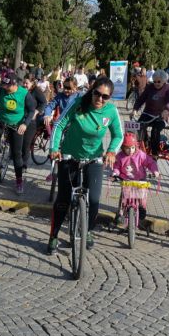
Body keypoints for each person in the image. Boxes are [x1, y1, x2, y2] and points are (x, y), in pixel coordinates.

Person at [46, 77, 123, 255]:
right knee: (63, 199)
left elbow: (118, 134)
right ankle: (54, 236)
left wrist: (111, 151)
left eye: (105, 97)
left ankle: (87, 231)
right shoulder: (79, 103)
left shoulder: (111, 111)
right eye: (97, 94)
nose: (100, 99)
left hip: (94, 158)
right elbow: (59, 124)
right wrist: (54, 148)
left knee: (95, 201)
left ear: (110, 98)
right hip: (69, 155)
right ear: (92, 90)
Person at [0, 76, 35, 194]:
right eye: (3, 85)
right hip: (0, 121)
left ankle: (19, 181)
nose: (4, 88)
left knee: (17, 154)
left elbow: (32, 110)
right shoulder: (1, 90)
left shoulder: (24, 93)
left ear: (14, 84)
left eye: (7, 86)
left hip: (16, 125)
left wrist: (25, 124)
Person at [112, 132, 159, 222]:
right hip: (126, 181)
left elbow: (150, 162)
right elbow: (117, 166)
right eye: (127, 148)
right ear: (123, 147)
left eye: (133, 148)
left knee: (141, 197)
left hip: (140, 180)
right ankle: (120, 213)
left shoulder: (140, 154)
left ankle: (142, 209)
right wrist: (115, 173)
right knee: (124, 198)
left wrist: (155, 171)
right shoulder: (120, 156)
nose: (130, 150)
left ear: (136, 146)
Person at [132, 69, 169, 155]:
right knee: (139, 126)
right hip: (148, 112)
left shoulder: (168, 88)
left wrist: (166, 110)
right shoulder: (150, 87)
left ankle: (155, 153)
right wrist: (135, 109)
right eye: (154, 81)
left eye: (159, 81)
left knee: (155, 130)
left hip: (161, 115)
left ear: (164, 81)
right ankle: (145, 145)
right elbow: (141, 99)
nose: (156, 83)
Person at [21, 74, 47, 172]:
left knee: (26, 143)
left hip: (33, 118)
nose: (24, 85)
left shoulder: (36, 91)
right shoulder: (22, 90)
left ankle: (24, 164)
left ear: (32, 83)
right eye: (23, 82)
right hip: (22, 116)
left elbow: (44, 102)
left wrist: (37, 111)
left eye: (26, 83)